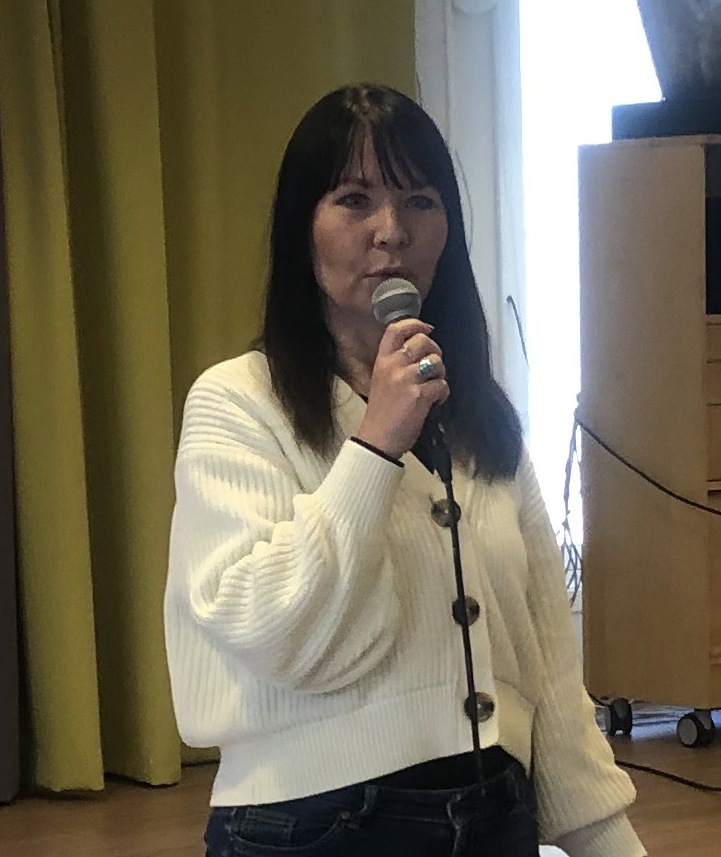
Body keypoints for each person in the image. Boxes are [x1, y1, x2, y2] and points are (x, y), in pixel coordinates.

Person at [164, 84, 646, 857]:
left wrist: (609, 840)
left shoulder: (476, 413)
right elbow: (264, 626)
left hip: (495, 812)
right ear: (301, 226)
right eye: (354, 200)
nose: (391, 231)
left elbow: (547, 665)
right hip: (313, 827)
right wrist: (375, 444)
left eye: (419, 201)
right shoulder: (236, 401)